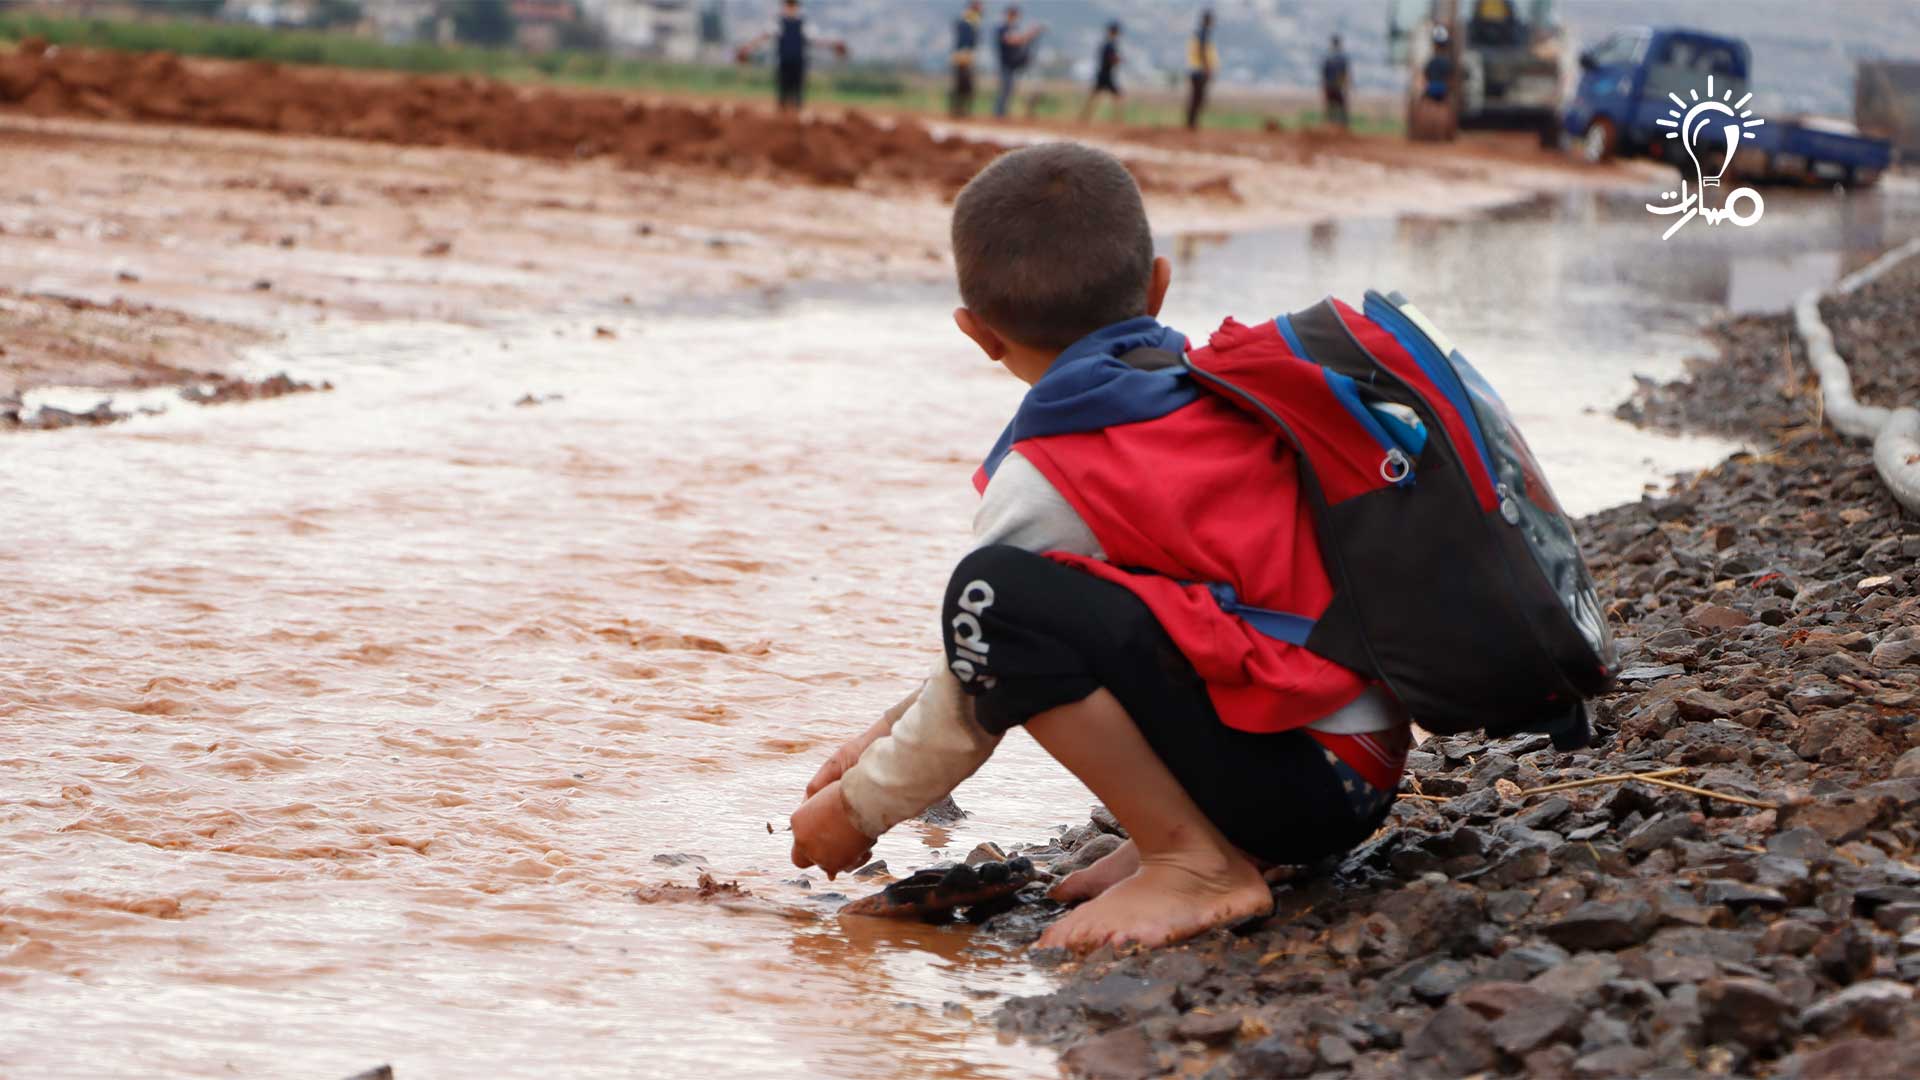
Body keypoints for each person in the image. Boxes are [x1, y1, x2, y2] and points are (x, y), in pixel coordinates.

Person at [786, 143, 1412, 953]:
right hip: (1354, 763)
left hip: (1305, 786)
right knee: (1025, 609)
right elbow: (1007, 650)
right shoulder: (1205, 388)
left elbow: (985, 666)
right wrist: (874, 738)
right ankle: (1217, 840)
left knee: (999, 598)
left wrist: (857, 809)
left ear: (977, 335)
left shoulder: (1057, 471)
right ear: (1157, 284)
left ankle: (1194, 863)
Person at [739, 0, 845, 112]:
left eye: (792, 5)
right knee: (783, 95)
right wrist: (747, 48)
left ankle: (796, 122)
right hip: (783, 63)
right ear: (784, 6)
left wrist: (833, 45)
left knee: (798, 95)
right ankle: (783, 121)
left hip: (799, 64)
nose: (790, 8)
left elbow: (816, 40)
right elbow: (764, 37)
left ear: (797, 6)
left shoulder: (804, 24)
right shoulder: (778, 23)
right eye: (788, 5)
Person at [993, 5, 1044, 119]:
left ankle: (1021, 112)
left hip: (1017, 64)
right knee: (1006, 89)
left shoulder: (1015, 28)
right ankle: (999, 114)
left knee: (1019, 89)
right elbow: (1013, 40)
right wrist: (1030, 34)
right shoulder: (1002, 29)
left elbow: (1020, 41)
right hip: (1006, 64)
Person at [1078, 21, 1124, 125]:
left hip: (1104, 74)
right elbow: (1110, 59)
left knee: (1095, 96)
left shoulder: (1108, 44)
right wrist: (1117, 60)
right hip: (1105, 75)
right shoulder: (1109, 45)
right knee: (1115, 96)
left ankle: (1084, 117)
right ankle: (1118, 121)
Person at [1185, 9, 1219, 131]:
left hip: (1196, 69)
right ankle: (1192, 123)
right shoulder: (1203, 33)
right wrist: (1208, 68)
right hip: (1199, 70)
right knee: (1198, 98)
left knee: (1196, 97)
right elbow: (1202, 51)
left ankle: (1191, 122)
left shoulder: (1200, 33)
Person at [950, 1, 984, 118]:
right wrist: (965, 54)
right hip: (964, 55)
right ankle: (958, 109)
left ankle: (961, 109)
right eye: (979, 6)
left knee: (965, 84)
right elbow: (965, 38)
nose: (981, 8)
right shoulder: (968, 19)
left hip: (966, 55)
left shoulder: (973, 19)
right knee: (963, 83)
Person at [1321, 33, 1351, 130]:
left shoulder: (1328, 57)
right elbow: (1345, 73)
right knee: (1339, 107)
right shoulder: (1340, 58)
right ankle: (1340, 127)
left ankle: (1331, 126)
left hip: (1332, 86)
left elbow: (1324, 73)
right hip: (1337, 86)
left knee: (1331, 107)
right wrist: (1346, 84)